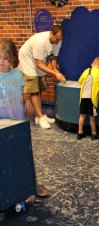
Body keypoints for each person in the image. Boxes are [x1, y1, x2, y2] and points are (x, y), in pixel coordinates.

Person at [0, 39, 49, 197]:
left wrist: (27, 101)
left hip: (19, 123)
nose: (1, 62)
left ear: (13, 59)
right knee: (5, 159)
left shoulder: (19, 74)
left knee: (24, 155)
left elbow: (24, 92)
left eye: (5, 59)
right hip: (2, 125)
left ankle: (32, 184)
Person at [18, 25, 66, 129]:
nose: (58, 42)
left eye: (60, 40)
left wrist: (55, 69)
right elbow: (38, 64)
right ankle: (40, 118)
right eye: (56, 39)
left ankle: (38, 116)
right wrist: (54, 73)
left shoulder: (58, 41)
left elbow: (54, 57)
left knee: (39, 89)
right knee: (34, 90)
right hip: (28, 62)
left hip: (38, 61)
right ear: (51, 33)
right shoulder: (40, 42)